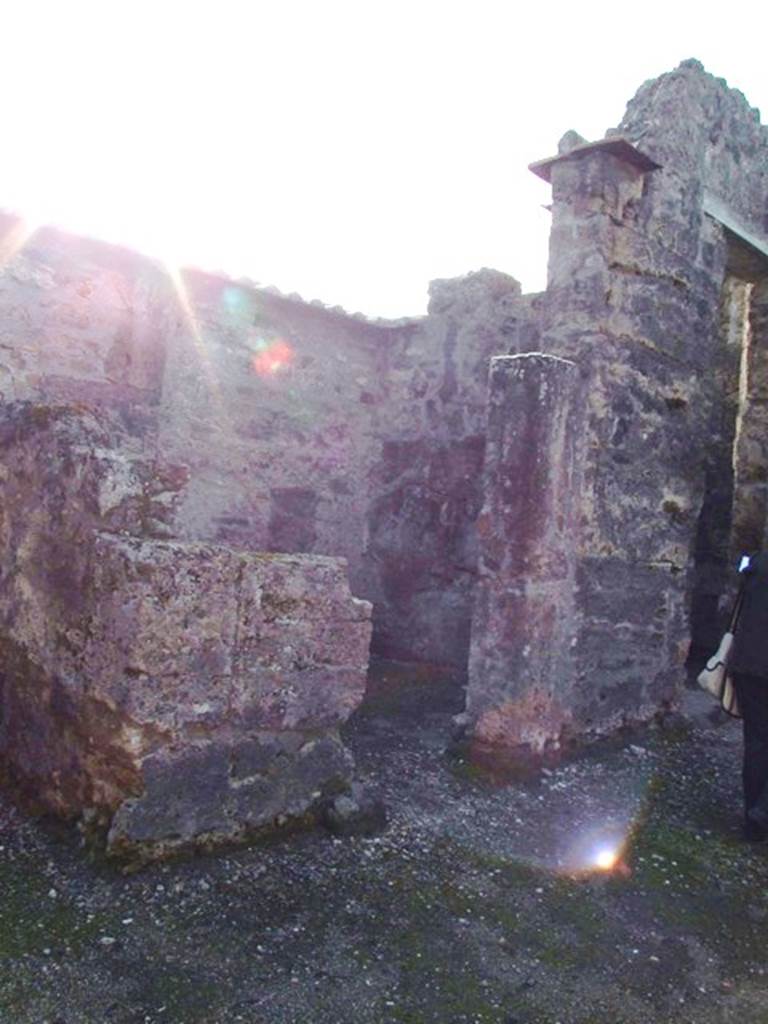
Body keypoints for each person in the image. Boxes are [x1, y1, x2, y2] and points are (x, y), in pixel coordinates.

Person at [730, 551, 768, 840]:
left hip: (748, 662)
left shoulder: (756, 561)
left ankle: (752, 819)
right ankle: (761, 812)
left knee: (756, 740)